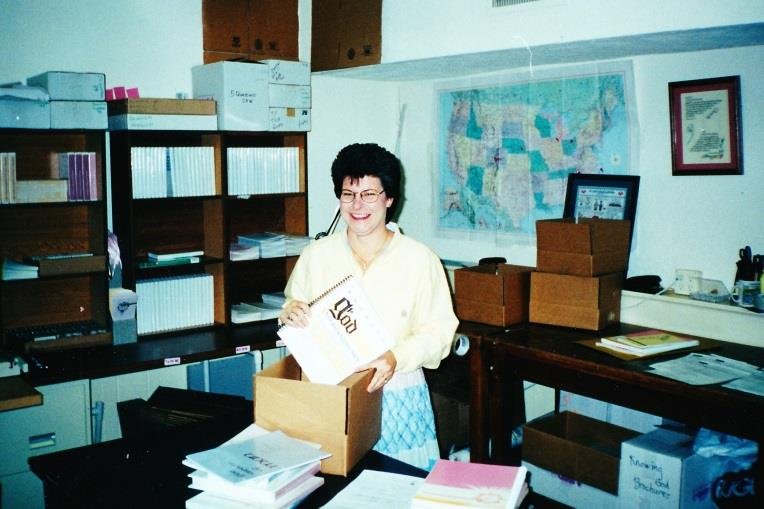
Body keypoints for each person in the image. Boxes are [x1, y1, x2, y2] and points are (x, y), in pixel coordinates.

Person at [278, 142, 459, 471]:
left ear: (389, 199)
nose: (357, 205)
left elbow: (439, 334)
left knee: (401, 489)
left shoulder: (420, 260)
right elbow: (293, 305)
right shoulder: (316, 255)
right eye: (349, 194)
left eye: (369, 194)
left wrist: (394, 358)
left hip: (397, 394)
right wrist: (291, 311)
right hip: (329, 397)